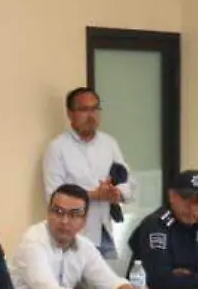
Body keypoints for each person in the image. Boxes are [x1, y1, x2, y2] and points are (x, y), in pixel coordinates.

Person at [11, 185, 150, 289]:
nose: (64, 221)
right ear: (48, 213)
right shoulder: (33, 241)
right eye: (58, 212)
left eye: (74, 214)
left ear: (84, 221)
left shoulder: (84, 246)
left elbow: (110, 281)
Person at [42, 87, 133, 259]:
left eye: (95, 109)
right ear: (70, 114)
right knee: (77, 286)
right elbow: (53, 196)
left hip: (104, 232)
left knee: (110, 284)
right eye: (84, 109)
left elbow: (128, 183)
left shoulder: (109, 143)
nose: (91, 115)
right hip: (71, 237)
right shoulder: (58, 148)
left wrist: (116, 193)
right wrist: (94, 194)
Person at [130, 169, 198, 289]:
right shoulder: (156, 224)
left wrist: (186, 277)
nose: (191, 207)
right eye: (186, 199)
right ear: (171, 196)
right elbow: (156, 280)